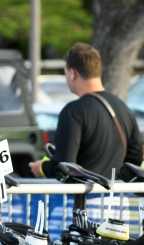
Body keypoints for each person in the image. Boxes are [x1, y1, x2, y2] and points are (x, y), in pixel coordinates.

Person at [29, 43, 142, 180]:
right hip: (118, 192)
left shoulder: (73, 112)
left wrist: (42, 168)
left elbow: (64, 166)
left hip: (86, 193)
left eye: (65, 73)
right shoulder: (124, 108)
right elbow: (135, 160)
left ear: (73, 74)